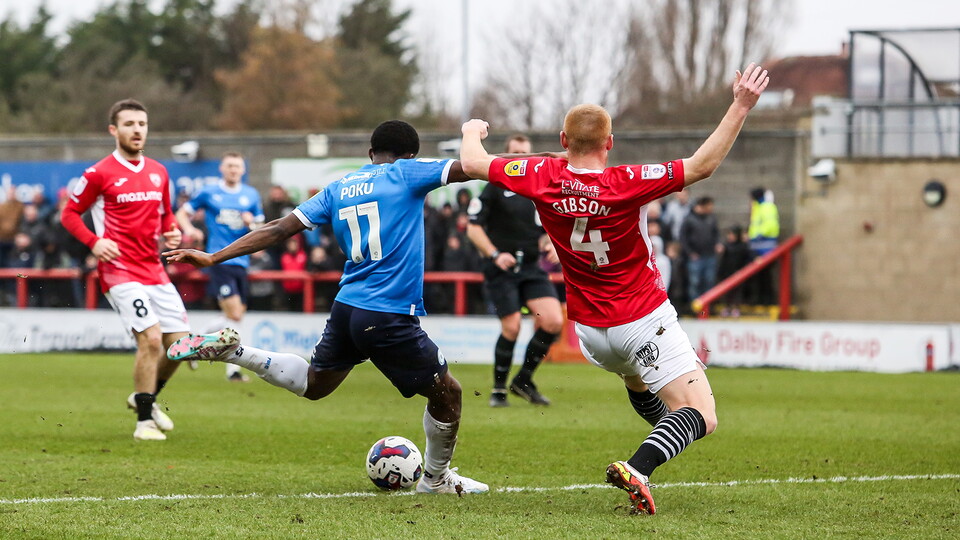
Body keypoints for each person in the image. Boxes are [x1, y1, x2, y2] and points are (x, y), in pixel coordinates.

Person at [458, 63, 769, 514]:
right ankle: (640, 466)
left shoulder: (540, 175)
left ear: (563, 142)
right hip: (642, 318)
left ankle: (662, 437)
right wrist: (741, 104)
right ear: (610, 144)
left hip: (590, 333)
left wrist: (472, 128)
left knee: (643, 384)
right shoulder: (627, 183)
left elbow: (472, 161)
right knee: (702, 414)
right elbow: (702, 166)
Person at [163, 120, 489, 495]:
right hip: (387, 312)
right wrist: (476, 134)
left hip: (348, 308)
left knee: (314, 384)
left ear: (370, 154)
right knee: (448, 393)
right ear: (411, 154)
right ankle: (435, 479)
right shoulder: (407, 172)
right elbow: (477, 166)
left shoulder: (339, 187)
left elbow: (277, 229)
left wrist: (216, 255)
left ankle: (236, 352)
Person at [60, 98, 189, 441]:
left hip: (154, 268)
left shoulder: (159, 171)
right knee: (150, 340)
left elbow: (165, 214)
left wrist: (172, 230)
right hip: (118, 271)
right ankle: (144, 422)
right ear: (114, 130)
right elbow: (69, 214)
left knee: (180, 346)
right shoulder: (98, 173)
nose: (137, 130)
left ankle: (144, 398)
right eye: (129, 124)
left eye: (142, 124)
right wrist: (94, 242)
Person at [466, 133, 564, 407]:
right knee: (511, 327)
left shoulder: (540, 188)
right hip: (502, 269)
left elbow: (549, 229)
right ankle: (498, 390)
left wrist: (553, 244)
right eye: (515, 153)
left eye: (526, 154)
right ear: (506, 157)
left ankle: (523, 381)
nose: (521, 158)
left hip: (531, 267)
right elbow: (473, 227)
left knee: (554, 321)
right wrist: (495, 254)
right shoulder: (494, 185)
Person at [176, 152, 265, 382]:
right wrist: (190, 230)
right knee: (234, 314)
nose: (233, 170)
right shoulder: (209, 192)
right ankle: (233, 370)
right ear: (222, 169)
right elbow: (182, 213)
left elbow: (261, 226)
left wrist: (252, 223)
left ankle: (194, 341)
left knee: (235, 316)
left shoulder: (251, 195)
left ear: (243, 170)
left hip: (242, 260)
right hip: (218, 259)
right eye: (229, 166)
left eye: (237, 166)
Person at [679, 196, 721, 303]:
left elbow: (716, 233)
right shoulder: (689, 219)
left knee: (709, 281)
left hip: (710, 255)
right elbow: (683, 238)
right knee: (695, 282)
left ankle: (708, 306)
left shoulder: (711, 218)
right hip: (695, 256)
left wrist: (717, 244)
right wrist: (690, 253)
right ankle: (695, 307)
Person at [747, 187, 780, 305]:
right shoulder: (757, 207)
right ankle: (759, 299)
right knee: (758, 276)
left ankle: (767, 300)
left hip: (765, 247)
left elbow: (771, 225)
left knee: (765, 276)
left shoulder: (767, 207)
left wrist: (758, 236)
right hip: (757, 247)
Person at [717, 225, 751, 317]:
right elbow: (723, 261)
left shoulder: (743, 246)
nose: (730, 236)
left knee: (738, 292)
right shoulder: (726, 246)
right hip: (727, 272)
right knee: (727, 292)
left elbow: (746, 259)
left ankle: (736, 308)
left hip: (738, 272)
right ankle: (727, 307)